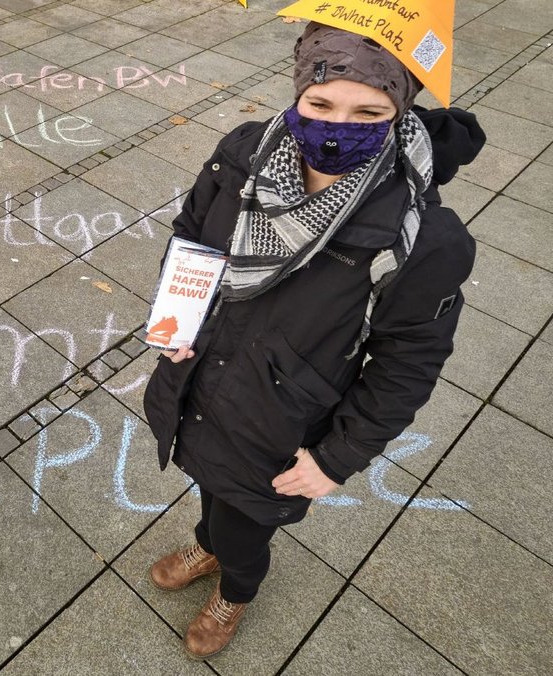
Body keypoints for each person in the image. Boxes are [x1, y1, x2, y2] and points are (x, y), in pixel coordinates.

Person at [142, 22, 483, 658]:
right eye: (321, 104)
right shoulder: (245, 152)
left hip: (284, 418)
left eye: (369, 112)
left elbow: (408, 362)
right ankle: (210, 546)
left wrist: (337, 457)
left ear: (400, 110)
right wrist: (176, 317)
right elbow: (193, 231)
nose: (336, 125)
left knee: (248, 520)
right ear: (299, 92)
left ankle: (236, 589)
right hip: (202, 373)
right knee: (210, 484)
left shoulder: (423, 235)